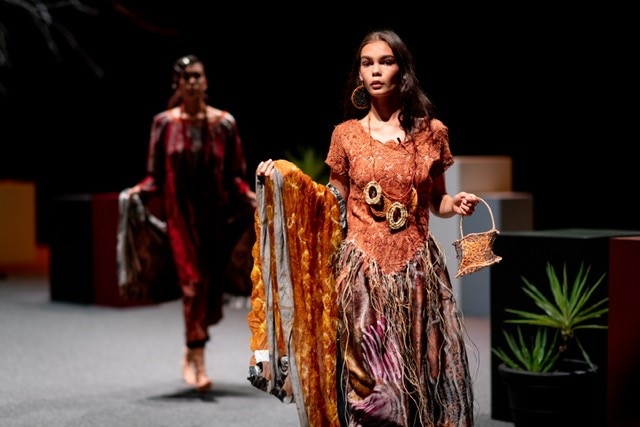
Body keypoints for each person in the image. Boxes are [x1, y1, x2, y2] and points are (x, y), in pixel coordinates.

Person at [253, 29, 479, 426]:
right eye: (367, 63)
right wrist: (282, 182)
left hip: (417, 275)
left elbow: (435, 201)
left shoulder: (432, 132)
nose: (375, 71)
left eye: (385, 62)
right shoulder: (346, 135)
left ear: (402, 70)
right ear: (359, 74)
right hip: (362, 276)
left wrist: (454, 205)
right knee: (371, 384)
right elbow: (331, 200)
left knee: (422, 371)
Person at [127, 54, 256, 392]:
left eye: (198, 76)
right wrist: (136, 193)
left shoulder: (224, 124)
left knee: (211, 288)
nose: (194, 82)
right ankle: (197, 360)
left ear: (206, 81)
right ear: (178, 84)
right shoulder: (164, 124)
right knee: (192, 284)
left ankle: (192, 346)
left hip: (216, 218)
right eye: (187, 77)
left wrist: (252, 199)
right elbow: (155, 176)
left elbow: (234, 176)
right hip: (181, 218)